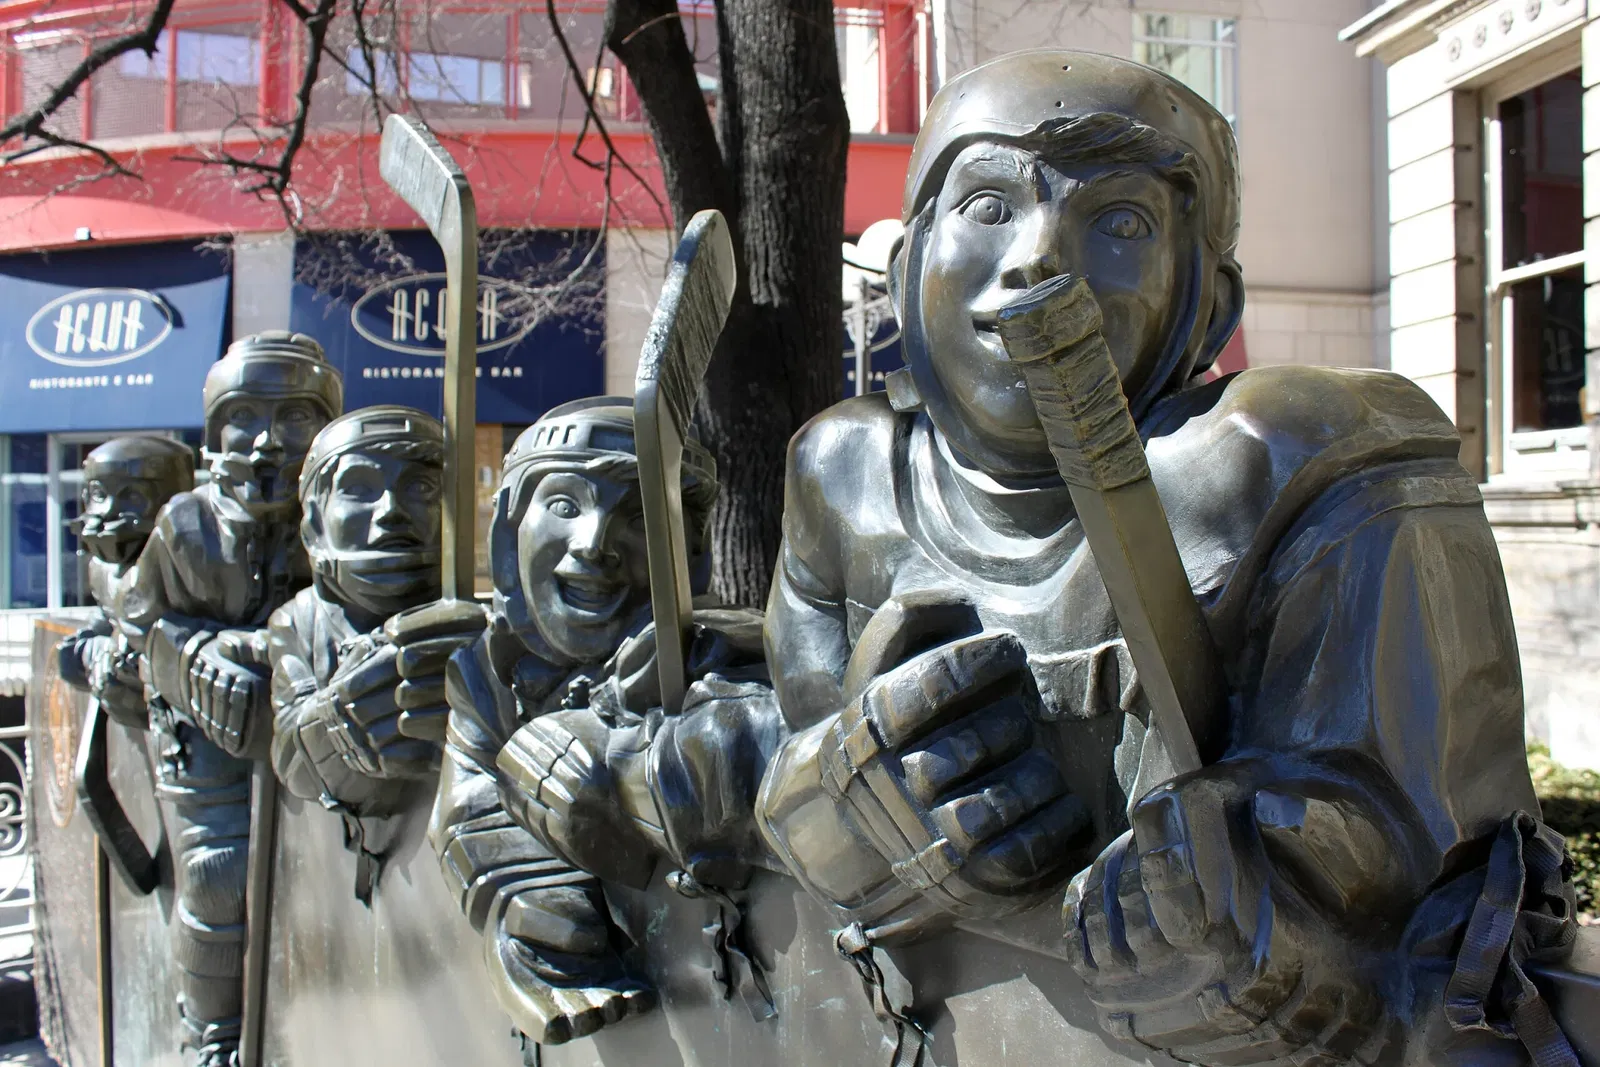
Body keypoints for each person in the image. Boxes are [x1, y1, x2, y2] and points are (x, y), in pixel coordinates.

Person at [500, 51, 1578, 1065]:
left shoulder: (1300, 468)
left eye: (1118, 220)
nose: (1038, 259)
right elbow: (790, 749)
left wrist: (1253, 915)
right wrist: (811, 795)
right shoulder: (843, 477)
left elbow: (1428, 872)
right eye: (986, 205)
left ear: (1210, 299)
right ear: (910, 252)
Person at [429, 397, 768, 1047]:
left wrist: (631, 767)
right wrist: (539, 915)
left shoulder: (724, 667)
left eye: (638, 515)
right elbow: (465, 813)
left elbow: (757, 740)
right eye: (563, 506)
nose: (592, 546)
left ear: (690, 552)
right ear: (508, 534)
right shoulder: (488, 674)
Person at [117, 330, 341, 1067]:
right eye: (244, 417)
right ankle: (211, 1034)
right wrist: (190, 651)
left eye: (294, 417)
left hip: (308, 718)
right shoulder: (186, 525)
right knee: (217, 873)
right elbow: (134, 615)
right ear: (215, 433)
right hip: (202, 728)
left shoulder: (340, 516)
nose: (268, 443)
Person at [267, 405, 483, 902]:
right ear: (313, 526)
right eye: (359, 487)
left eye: (420, 489)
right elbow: (291, 751)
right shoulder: (297, 622)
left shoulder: (476, 625)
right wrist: (337, 724)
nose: (390, 510)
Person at [56, 436, 195, 727]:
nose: (108, 511)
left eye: (131, 496)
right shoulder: (101, 570)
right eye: (99, 494)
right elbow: (104, 622)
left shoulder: (190, 570)